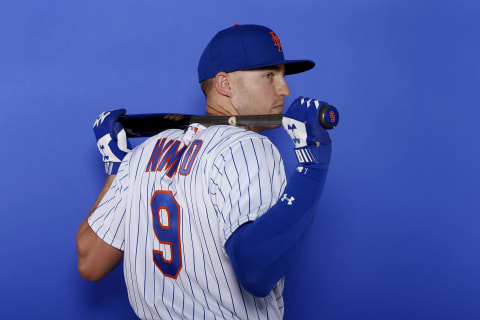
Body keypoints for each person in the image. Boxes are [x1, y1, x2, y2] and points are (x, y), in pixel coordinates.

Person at [76, 24, 333, 320]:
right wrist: (313, 169)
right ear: (224, 84)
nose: (284, 89)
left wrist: (116, 169)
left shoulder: (143, 155)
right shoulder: (249, 147)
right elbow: (256, 272)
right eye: (268, 75)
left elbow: (90, 262)